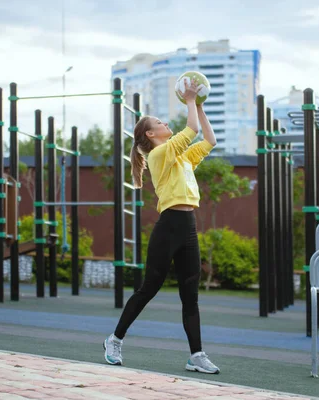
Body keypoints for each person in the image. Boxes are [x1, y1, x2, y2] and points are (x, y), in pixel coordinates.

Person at [103, 78, 220, 374]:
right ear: (150, 134)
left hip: (188, 226)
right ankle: (114, 340)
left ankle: (196, 355)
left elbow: (209, 140)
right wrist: (191, 100)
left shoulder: (181, 157)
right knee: (148, 289)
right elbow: (190, 130)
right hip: (168, 226)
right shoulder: (158, 154)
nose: (165, 122)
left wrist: (200, 105)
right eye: (159, 121)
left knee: (190, 295)